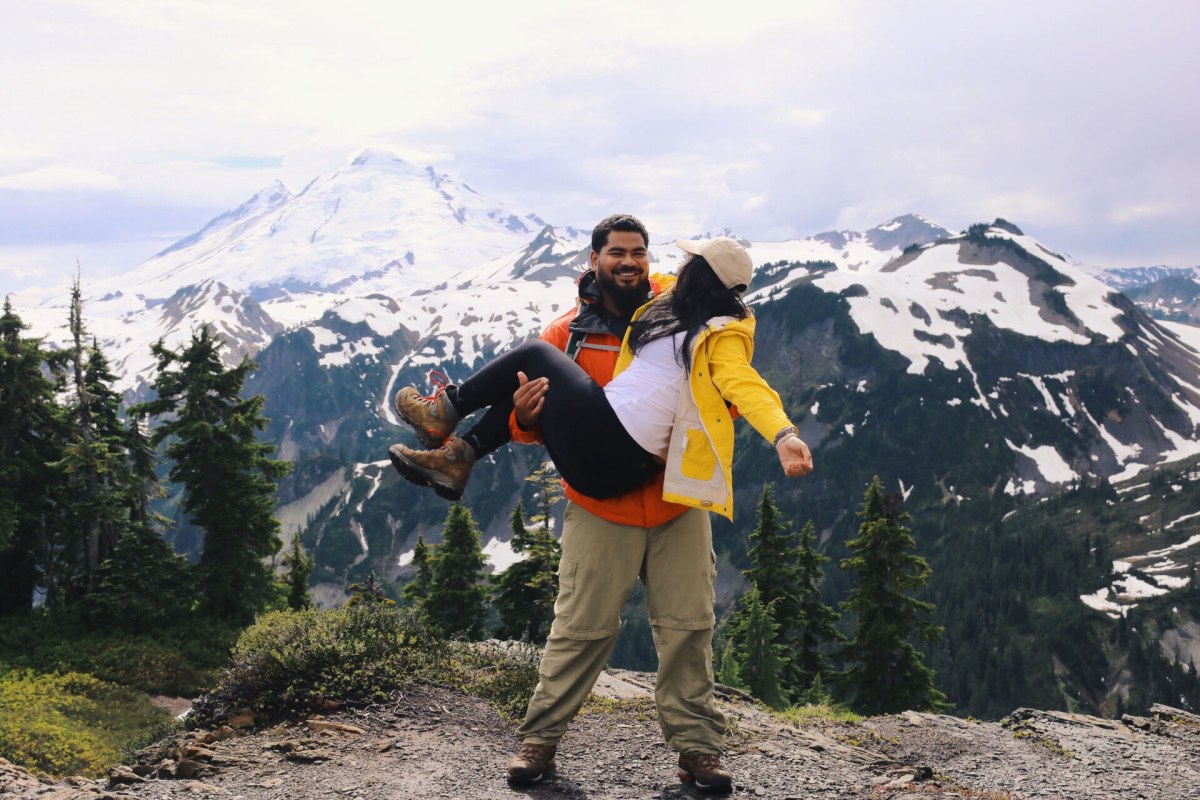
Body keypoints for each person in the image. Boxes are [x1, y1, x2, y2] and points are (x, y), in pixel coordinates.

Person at [389, 216, 812, 794]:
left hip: (675, 501)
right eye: (617, 253)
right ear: (594, 260)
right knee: (579, 628)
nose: (630, 262)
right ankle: (539, 742)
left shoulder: (691, 313)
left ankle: (698, 750)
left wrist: (776, 429)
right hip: (600, 501)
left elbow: (737, 387)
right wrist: (526, 419)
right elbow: (530, 423)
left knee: (689, 627)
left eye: (640, 252)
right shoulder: (570, 333)